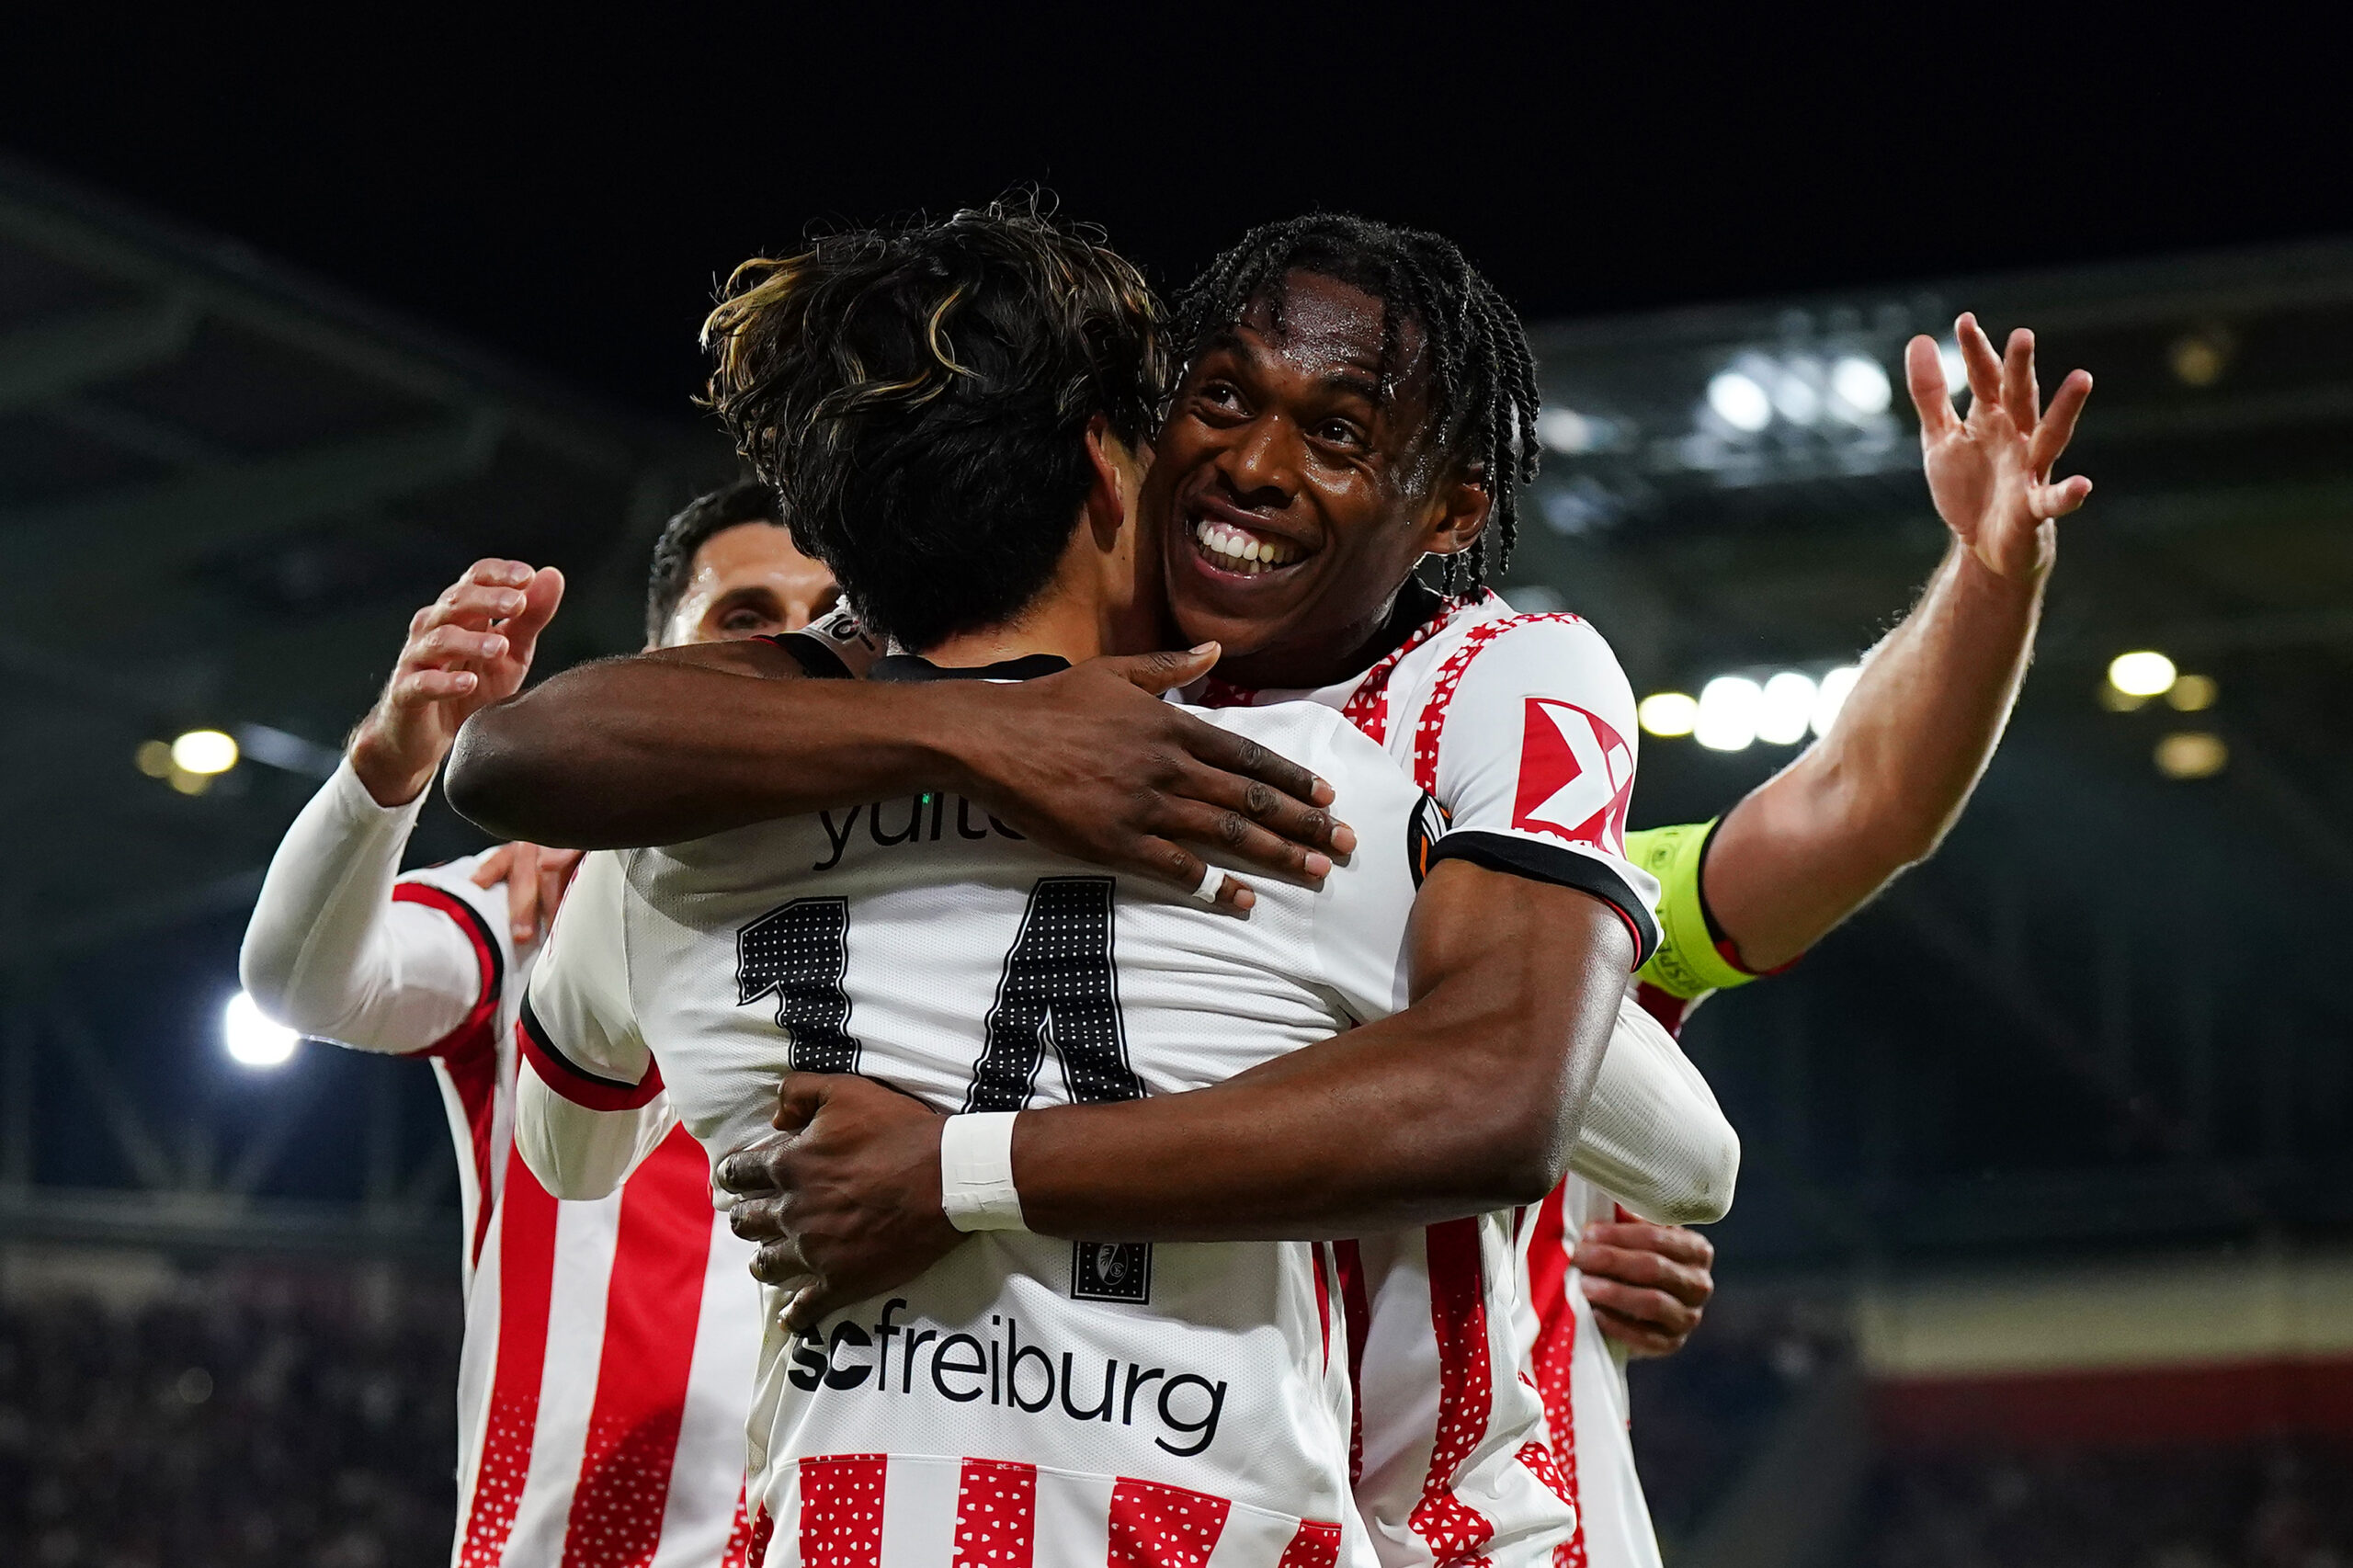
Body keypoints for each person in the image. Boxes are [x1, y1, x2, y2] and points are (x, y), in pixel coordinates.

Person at [452, 213, 2086, 1565]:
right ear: (1129, 449)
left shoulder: (1470, 717)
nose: (1253, 467)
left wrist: (1990, 580)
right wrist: (996, 735)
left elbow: (1792, 882)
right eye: (1219, 404)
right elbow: (526, 750)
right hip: (1223, 1496)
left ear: (1450, 511)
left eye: (1340, 435)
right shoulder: (904, 721)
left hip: (1483, 1525)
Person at [238, 482, 843, 1567]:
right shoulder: (535, 909)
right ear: (657, 656)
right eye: (746, 616)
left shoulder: (957, 913)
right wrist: (392, 760)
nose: (792, 646)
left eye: (832, 614)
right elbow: (303, 984)